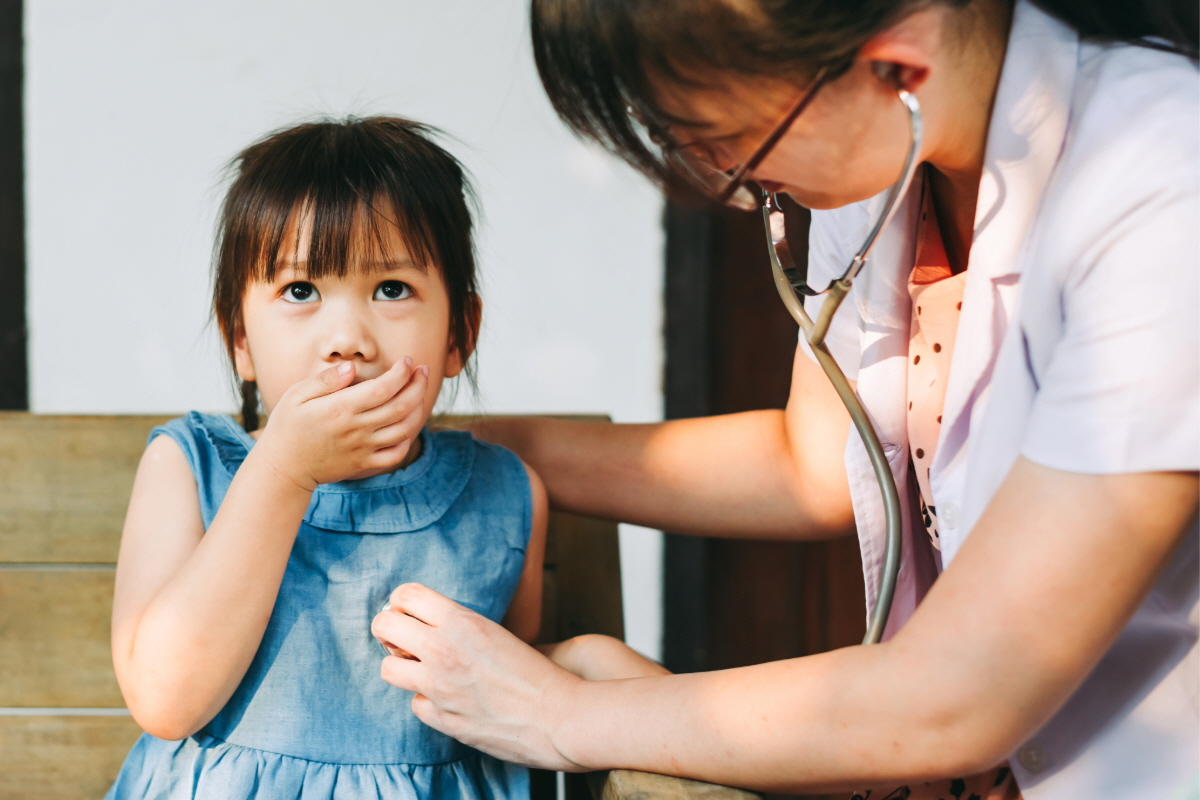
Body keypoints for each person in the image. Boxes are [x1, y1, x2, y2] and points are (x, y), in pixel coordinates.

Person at [371, 1, 1200, 798]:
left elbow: (963, 692)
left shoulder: (1165, 181)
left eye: (730, 144)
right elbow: (817, 461)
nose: (735, 179)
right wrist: (456, 443)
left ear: (895, 65)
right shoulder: (889, 158)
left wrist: (561, 714)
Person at [105, 117, 551, 799]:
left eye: (392, 289)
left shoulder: (504, 494)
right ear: (241, 343)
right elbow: (166, 698)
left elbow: (506, 717)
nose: (347, 339)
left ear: (460, 333)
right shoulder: (190, 466)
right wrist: (284, 471)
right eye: (301, 291)